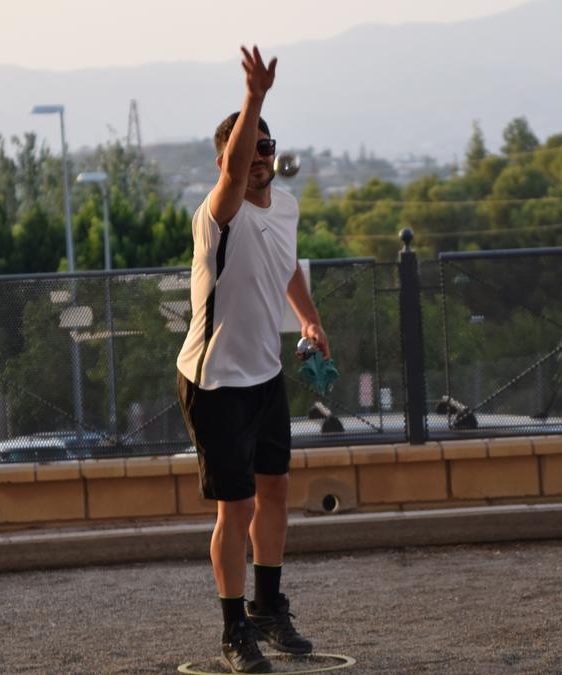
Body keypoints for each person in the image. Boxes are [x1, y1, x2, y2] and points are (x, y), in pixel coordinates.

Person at [176, 45, 330, 674]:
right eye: (250, 147)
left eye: (268, 145)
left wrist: (310, 317)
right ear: (226, 162)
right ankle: (234, 628)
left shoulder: (285, 207)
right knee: (234, 508)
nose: (261, 154)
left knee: (275, 492)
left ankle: (269, 608)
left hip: (264, 375)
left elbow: (286, 264)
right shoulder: (220, 213)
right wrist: (255, 99)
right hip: (214, 381)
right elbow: (237, 172)